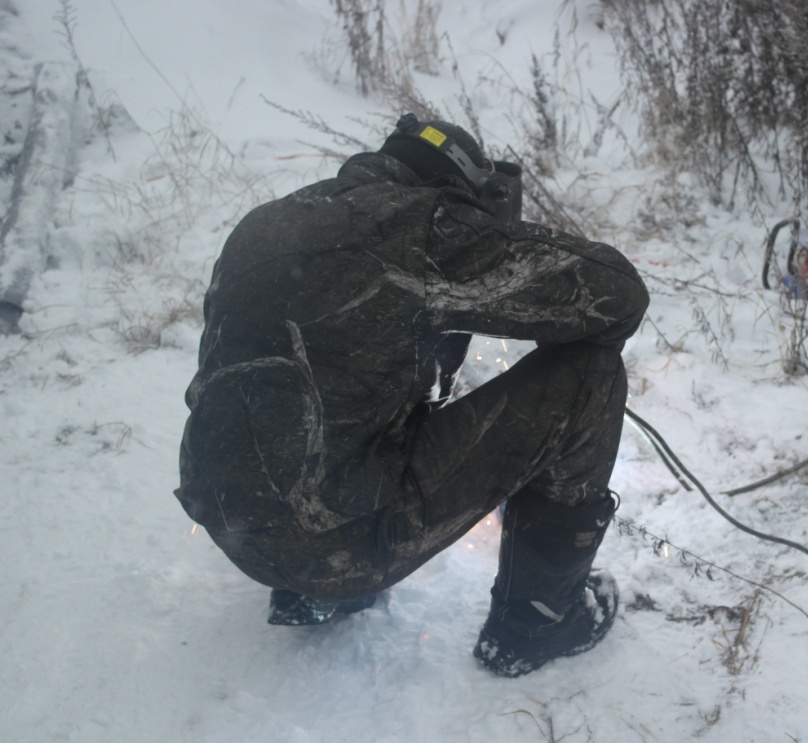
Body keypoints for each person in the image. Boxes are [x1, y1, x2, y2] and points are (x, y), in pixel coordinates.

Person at [175, 113, 648, 677]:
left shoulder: (263, 225)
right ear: (453, 188)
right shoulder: (419, 225)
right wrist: (491, 244)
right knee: (588, 375)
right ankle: (538, 622)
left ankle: (308, 591)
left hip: (235, 530)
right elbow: (619, 293)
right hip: (336, 544)